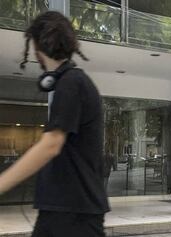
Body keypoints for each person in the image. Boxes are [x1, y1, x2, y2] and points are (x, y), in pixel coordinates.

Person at [0, 11, 109, 237]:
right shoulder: (71, 83)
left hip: (72, 215)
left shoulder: (71, 83)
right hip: (65, 210)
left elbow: (51, 144)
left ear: (38, 46)